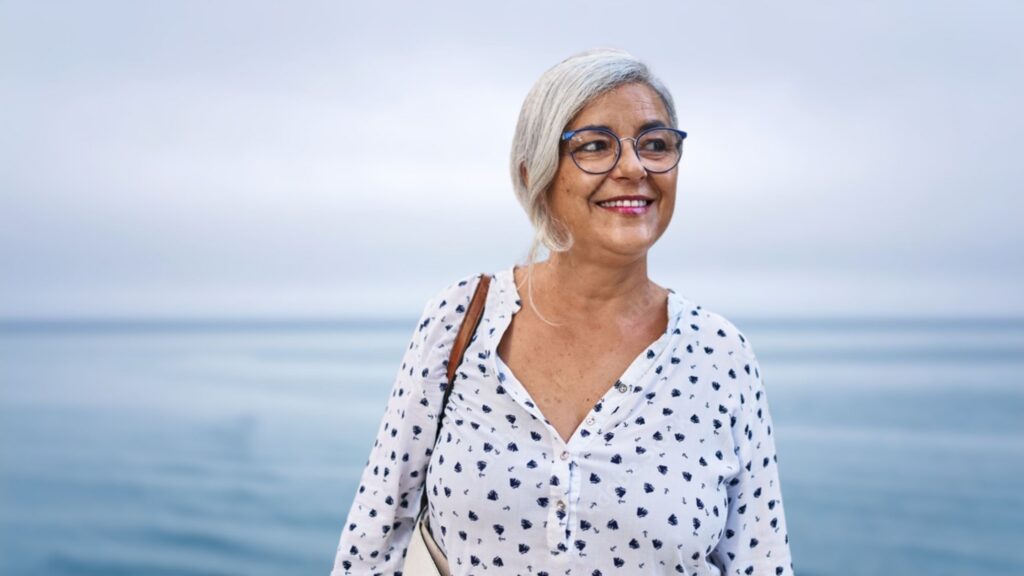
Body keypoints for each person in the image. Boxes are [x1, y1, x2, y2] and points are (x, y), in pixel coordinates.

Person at [331, 48, 793, 576]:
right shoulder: (459, 320)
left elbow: (762, 562)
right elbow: (372, 541)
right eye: (595, 146)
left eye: (655, 144)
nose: (633, 167)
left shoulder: (720, 355)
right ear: (535, 175)